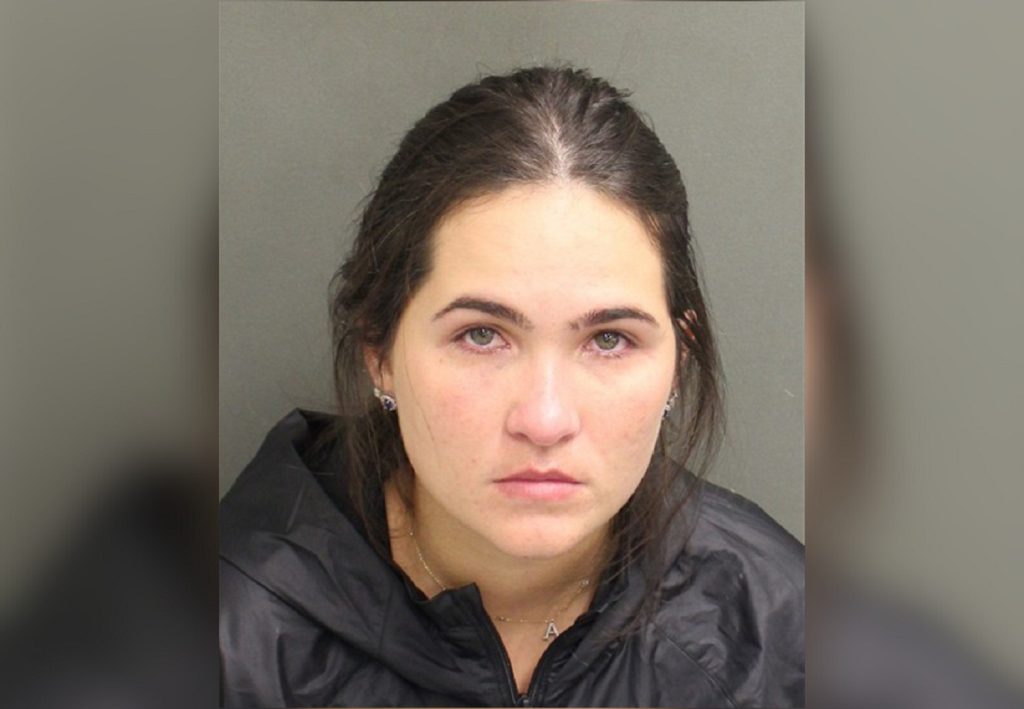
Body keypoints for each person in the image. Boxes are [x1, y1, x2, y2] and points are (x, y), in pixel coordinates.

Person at [219, 66, 804, 707]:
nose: (545, 420)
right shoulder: (218, 640)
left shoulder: (783, 632)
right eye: (481, 336)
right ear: (378, 353)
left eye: (609, 339)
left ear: (679, 362)